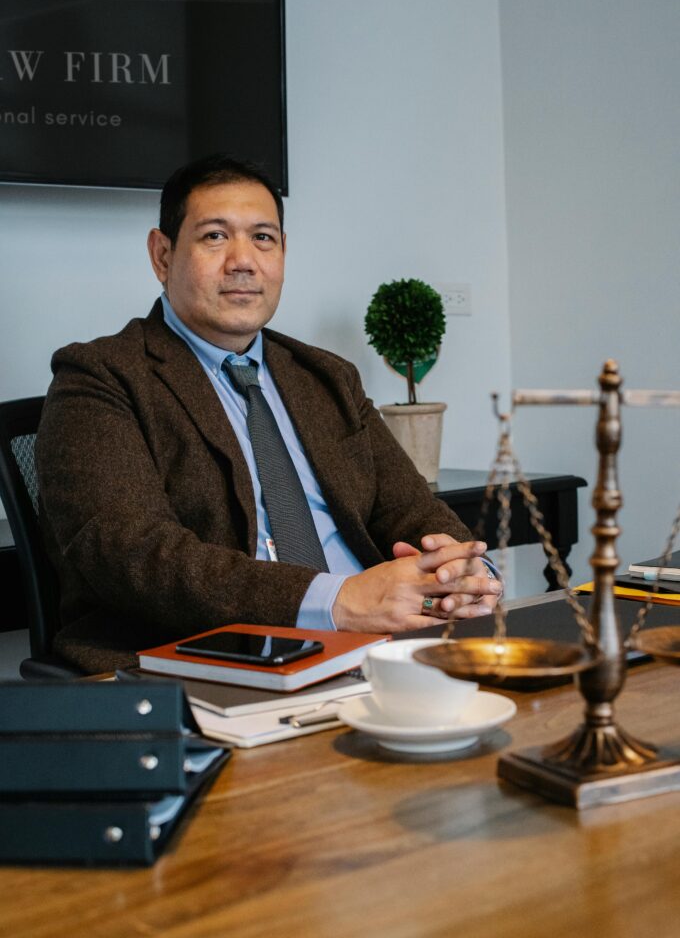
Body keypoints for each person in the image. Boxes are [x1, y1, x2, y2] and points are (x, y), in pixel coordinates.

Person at [36, 154, 501, 672]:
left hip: (378, 652)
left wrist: (463, 571)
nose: (243, 260)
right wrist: (338, 600)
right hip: (207, 661)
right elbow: (134, 556)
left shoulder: (325, 376)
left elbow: (409, 508)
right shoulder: (101, 376)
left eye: (263, 238)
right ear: (162, 255)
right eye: (215, 236)